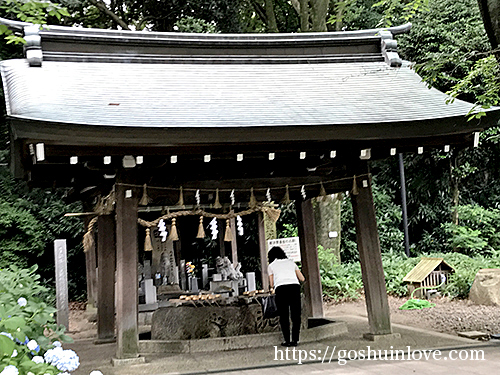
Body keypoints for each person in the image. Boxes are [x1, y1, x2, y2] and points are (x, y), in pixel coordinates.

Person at [268, 246, 305, 347]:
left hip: (281, 289)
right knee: (296, 315)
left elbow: (271, 284)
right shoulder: (291, 262)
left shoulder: (271, 266)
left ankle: (287, 340)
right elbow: (302, 278)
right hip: (294, 287)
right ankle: (295, 340)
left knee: (284, 315)